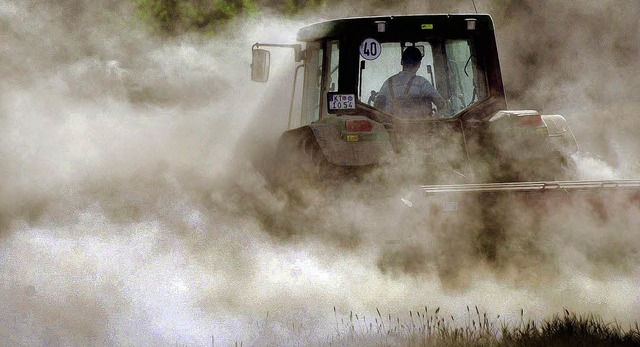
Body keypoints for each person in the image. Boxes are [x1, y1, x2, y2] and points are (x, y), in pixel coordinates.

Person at [374, 46, 446, 117]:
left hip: (389, 126)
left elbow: (377, 106)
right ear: (419, 64)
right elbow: (441, 104)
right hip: (419, 126)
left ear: (401, 62)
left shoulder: (388, 82)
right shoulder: (421, 82)